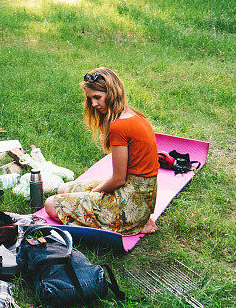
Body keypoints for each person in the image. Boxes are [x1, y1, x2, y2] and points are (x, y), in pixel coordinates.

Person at [44, 68, 159, 235]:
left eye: (97, 97)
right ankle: (139, 220)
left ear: (112, 93)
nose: (93, 104)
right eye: (90, 98)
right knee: (63, 189)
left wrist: (93, 194)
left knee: (50, 205)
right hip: (140, 197)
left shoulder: (119, 126)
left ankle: (134, 224)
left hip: (128, 204)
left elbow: (118, 179)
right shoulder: (134, 116)